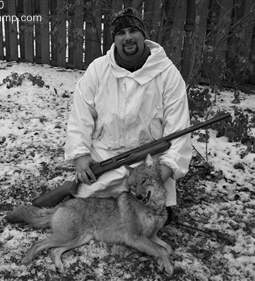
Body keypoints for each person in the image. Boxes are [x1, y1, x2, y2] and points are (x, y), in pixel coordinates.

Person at [64, 7, 192, 214]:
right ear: (114, 39)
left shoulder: (168, 74)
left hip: (150, 159)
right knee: (88, 204)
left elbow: (179, 128)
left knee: (154, 215)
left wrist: (164, 171)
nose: (128, 37)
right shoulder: (98, 69)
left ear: (143, 35)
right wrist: (80, 154)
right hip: (105, 155)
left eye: (133, 31)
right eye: (121, 33)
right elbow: (81, 114)